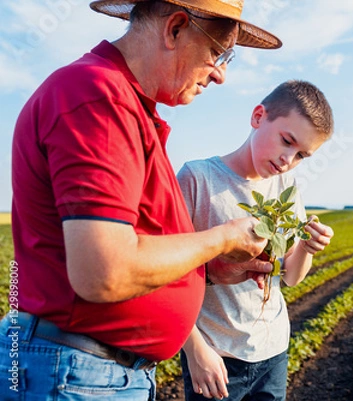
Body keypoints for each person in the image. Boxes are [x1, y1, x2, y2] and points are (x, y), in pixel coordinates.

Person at [0, 1, 283, 400]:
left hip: (94, 372)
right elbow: (104, 271)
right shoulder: (99, 96)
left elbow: (135, 248)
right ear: (175, 29)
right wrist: (222, 238)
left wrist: (210, 271)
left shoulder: (127, 105)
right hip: (77, 374)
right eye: (218, 54)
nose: (220, 75)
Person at [177, 80, 335, 400]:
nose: (288, 160)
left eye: (302, 155)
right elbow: (167, 277)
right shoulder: (197, 179)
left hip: (273, 351)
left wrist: (306, 245)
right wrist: (195, 351)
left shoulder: (286, 187)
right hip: (215, 355)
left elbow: (290, 276)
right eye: (286, 141)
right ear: (258, 117)